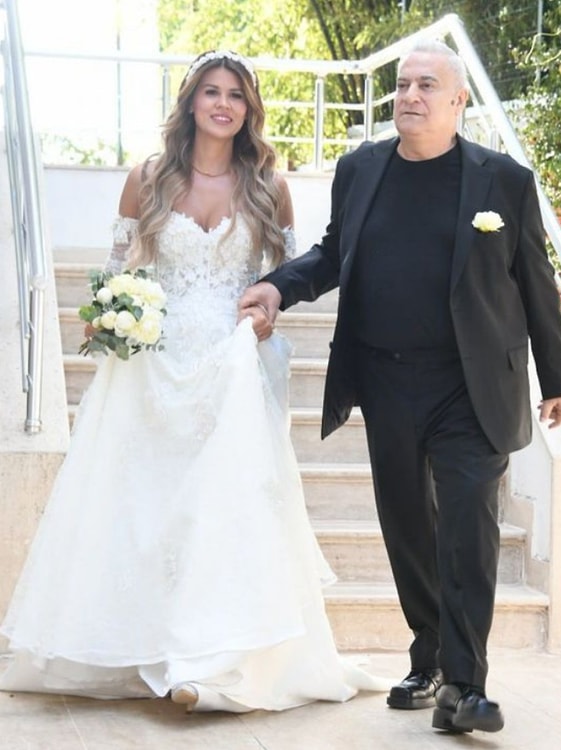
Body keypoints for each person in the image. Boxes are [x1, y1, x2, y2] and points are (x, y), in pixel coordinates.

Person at [0, 50, 389, 712]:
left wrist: (267, 311)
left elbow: (287, 275)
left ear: (249, 109)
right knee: (148, 508)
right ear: (190, 102)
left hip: (232, 366)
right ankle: (145, 647)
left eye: (235, 94)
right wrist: (110, 315)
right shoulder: (148, 178)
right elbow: (117, 270)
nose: (223, 104)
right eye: (211, 91)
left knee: (222, 511)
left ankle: (209, 663)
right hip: (152, 365)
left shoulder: (268, 185)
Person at [239, 39, 561, 733]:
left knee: (468, 526)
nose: (410, 96)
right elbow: (334, 253)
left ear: (458, 101)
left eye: (427, 85)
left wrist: (559, 375)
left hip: (470, 384)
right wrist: (277, 287)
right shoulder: (361, 169)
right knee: (407, 527)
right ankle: (429, 657)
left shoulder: (502, 179)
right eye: (402, 85)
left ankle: (466, 685)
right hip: (386, 378)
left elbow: (535, 281)